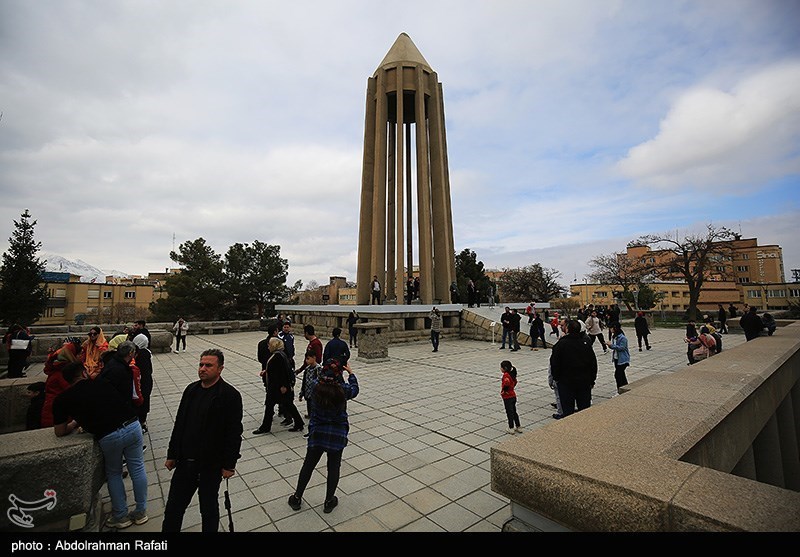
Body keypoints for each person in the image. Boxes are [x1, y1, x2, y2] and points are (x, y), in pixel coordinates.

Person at [53, 361, 148, 529]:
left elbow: (59, 431)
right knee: (138, 467)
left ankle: (121, 516)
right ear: (83, 373)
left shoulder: (63, 399)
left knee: (114, 473)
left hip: (109, 436)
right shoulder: (102, 383)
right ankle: (141, 511)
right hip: (132, 425)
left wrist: (75, 423)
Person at [162, 349, 243, 533]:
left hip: (210, 465)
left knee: (208, 510)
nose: (202, 369)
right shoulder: (191, 390)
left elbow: (233, 433)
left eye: (208, 365)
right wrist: (172, 454)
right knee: (173, 509)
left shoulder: (229, 395)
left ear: (220, 368)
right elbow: (180, 424)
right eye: (201, 365)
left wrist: (229, 465)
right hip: (185, 462)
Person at [287, 358, 359, 514]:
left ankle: (297, 497)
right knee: (333, 468)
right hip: (337, 434)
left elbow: (313, 380)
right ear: (339, 373)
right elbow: (355, 389)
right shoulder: (342, 389)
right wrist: (351, 373)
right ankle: (328, 501)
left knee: (308, 465)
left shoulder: (315, 387)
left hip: (318, 433)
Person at [253, 337, 304, 434]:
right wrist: (266, 371)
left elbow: (283, 372)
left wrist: (284, 385)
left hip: (278, 387)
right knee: (283, 405)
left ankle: (266, 427)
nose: (268, 347)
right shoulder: (278, 355)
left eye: (269, 345)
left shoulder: (278, 356)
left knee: (281, 405)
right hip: (276, 386)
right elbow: (276, 370)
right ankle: (298, 423)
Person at [549, 320, 598, 417]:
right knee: (584, 411)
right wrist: (592, 380)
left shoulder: (560, 345)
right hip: (584, 381)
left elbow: (554, 364)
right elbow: (593, 363)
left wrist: (556, 378)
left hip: (566, 383)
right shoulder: (586, 342)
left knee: (568, 412)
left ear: (567, 329)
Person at [131, 334, 153, 432]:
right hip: (146, 381)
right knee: (144, 400)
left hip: (140, 381)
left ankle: (140, 423)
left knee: (140, 400)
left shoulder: (139, 354)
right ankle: (142, 422)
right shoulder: (146, 353)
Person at [500, 360, 522, 434]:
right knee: (514, 411)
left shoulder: (506, 375)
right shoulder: (512, 374)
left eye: (501, 367)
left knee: (509, 412)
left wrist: (504, 391)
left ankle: (511, 427)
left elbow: (506, 383)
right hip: (513, 395)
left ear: (504, 368)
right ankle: (518, 426)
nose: (500, 369)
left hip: (507, 396)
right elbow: (515, 382)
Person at [608, 323, 630, 395]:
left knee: (618, 375)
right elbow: (614, 347)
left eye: (611, 328)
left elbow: (622, 348)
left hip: (623, 359)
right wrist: (610, 345)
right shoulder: (614, 336)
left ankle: (620, 390)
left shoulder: (622, 338)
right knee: (621, 375)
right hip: (616, 358)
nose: (610, 329)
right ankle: (625, 388)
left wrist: (612, 345)